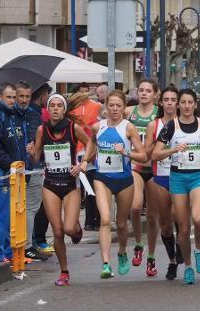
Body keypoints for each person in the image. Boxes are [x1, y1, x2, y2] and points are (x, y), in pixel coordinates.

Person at [27, 93, 94, 286]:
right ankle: (64, 272)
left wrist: (83, 163)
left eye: (59, 106)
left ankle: (76, 229)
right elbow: (37, 157)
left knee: (68, 228)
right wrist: (32, 153)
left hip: (70, 184)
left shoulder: (73, 128)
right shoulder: (42, 129)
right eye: (52, 106)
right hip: (50, 184)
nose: (55, 109)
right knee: (57, 231)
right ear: (47, 110)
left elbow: (91, 143)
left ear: (64, 110)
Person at [151, 88, 200, 285]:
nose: (186, 106)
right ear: (178, 105)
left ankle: (199, 250)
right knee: (184, 228)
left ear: (195, 105)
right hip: (177, 177)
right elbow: (155, 154)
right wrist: (173, 149)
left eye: (190, 103)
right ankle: (187, 265)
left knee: (198, 218)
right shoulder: (171, 126)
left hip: (197, 176)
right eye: (183, 102)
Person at [93, 90, 147, 278]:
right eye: (111, 105)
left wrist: (126, 153)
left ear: (124, 108)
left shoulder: (128, 127)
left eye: (118, 105)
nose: (114, 109)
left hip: (124, 180)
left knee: (122, 224)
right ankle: (106, 263)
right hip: (103, 179)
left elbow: (143, 155)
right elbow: (92, 148)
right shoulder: (97, 127)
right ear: (106, 107)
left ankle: (122, 252)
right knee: (106, 219)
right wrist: (84, 161)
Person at [0, 83, 28, 263]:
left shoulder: (14, 116)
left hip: (12, 176)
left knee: (10, 218)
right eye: (8, 97)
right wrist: (12, 164)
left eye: (14, 97)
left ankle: (10, 252)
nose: (12, 101)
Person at [144, 86, 180, 279]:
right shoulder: (154, 125)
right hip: (161, 177)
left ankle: (181, 245)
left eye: (173, 100)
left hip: (181, 175)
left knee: (180, 218)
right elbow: (147, 153)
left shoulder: (185, 123)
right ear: (161, 103)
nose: (169, 103)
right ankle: (172, 260)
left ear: (178, 103)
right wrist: (161, 143)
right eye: (166, 99)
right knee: (165, 224)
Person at [13, 80, 49, 262]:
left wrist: (35, 149)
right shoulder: (12, 114)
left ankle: (28, 243)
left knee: (31, 208)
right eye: (21, 96)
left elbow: (39, 141)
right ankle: (25, 245)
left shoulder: (34, 115)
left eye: (27, 96)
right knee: (25, 208)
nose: (24, 100)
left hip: (33, 167)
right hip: (17, 168)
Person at [124, 79, 159, 267]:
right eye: (141, 90)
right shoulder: (129, 112)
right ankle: (138, 243)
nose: (144, 93)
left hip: (154, 167)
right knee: (136, 207)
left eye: (148, 91)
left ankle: (151, 256)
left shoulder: (159, 113)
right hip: (136, 166)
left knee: (153, 216)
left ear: (155, 94)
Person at [68, 91, 102, 233]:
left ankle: (88, 221)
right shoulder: (96, 107)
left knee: (85, 189)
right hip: (91, 152)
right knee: (93, 188)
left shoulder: (70, 110)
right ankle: (95, 221)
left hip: (77, 153)